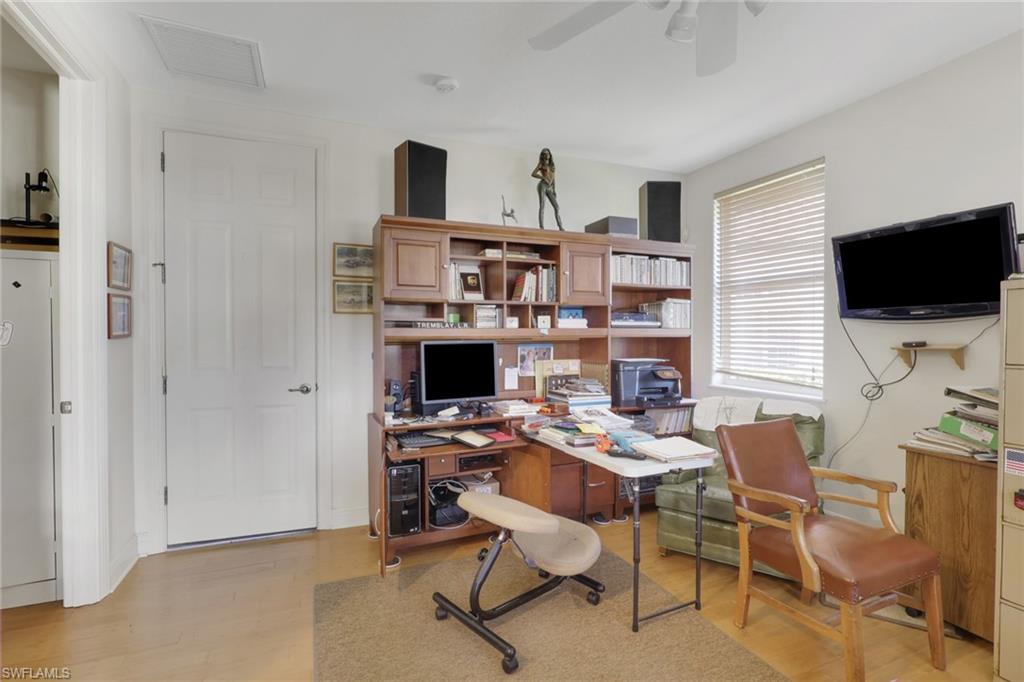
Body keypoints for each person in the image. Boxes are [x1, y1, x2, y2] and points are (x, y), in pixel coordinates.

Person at [531, 148, 563, 230]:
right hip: (542, 185)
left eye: (548, 153)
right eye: (545, 153)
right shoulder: (541, 164)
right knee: (542, 205)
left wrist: (554, 189)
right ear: (543, 155)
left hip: (550, 187)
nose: (547, 154)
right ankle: (541, 226)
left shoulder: (552, 165)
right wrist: (542, 177)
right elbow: (533, 174)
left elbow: (553, 178)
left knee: (557, 207)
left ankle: (560, 226)